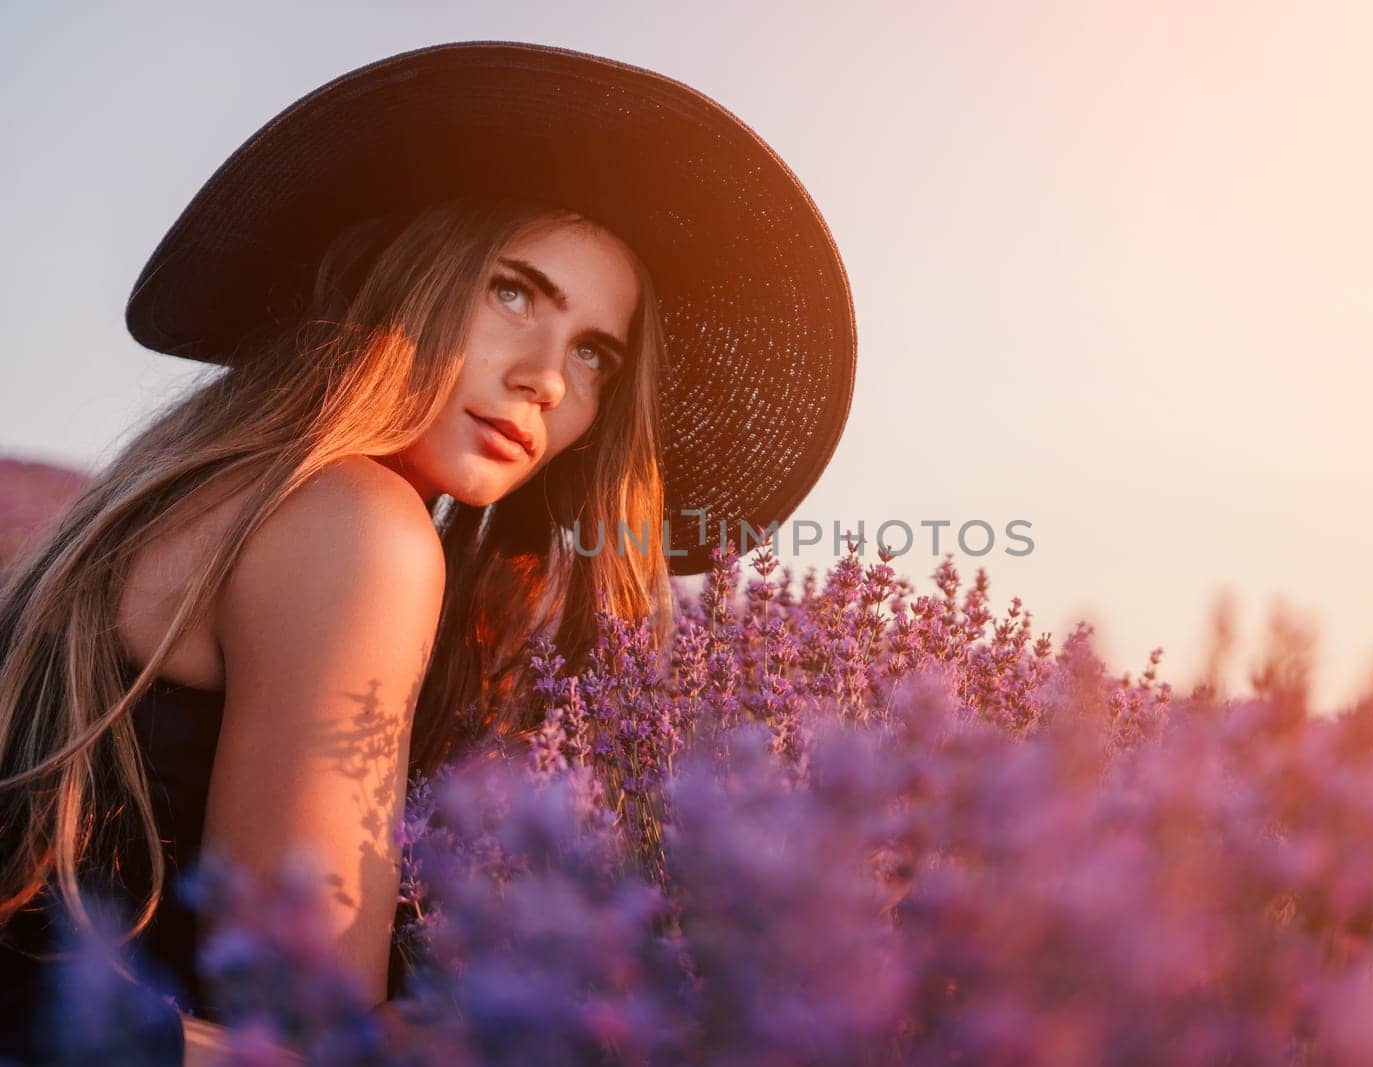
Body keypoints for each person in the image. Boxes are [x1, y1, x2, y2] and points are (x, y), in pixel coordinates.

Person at [0, 41, 855, 1064]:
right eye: (512, 292)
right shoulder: (356, 524)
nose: (547, 377)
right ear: (398, 275)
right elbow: (303, 1023)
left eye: (595, 352)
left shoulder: (207, 488)